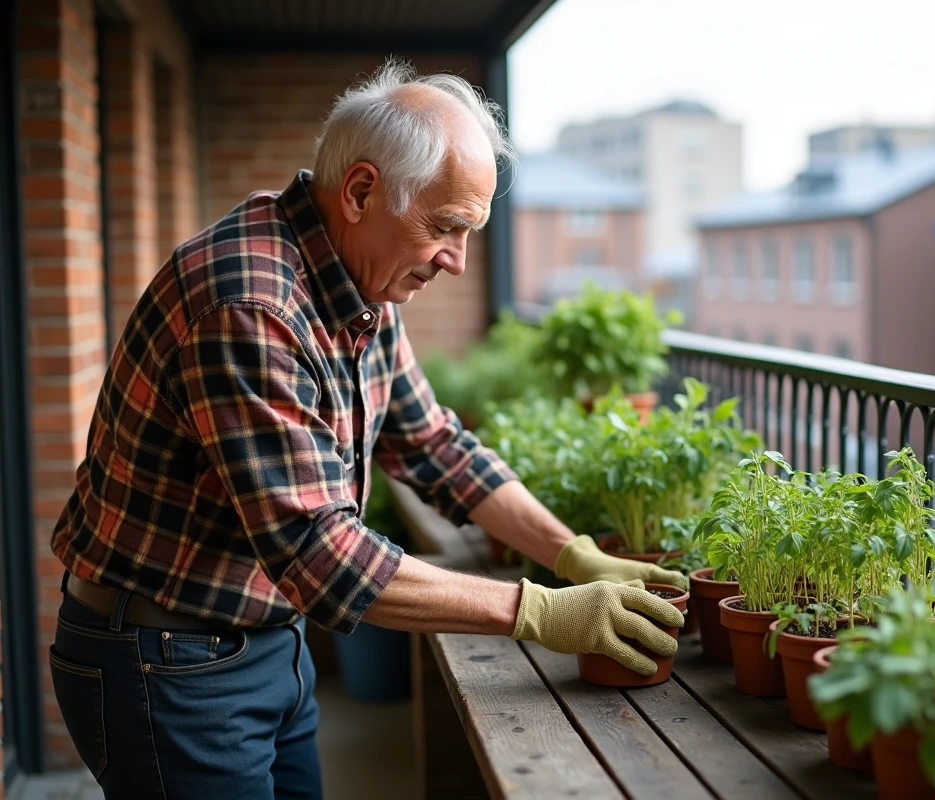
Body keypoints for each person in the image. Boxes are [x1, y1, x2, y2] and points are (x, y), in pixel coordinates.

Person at [47, 61, 688, 800]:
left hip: (261, 636)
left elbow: (432, 442)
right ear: (359, 192)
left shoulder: (357, 273)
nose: (457, 260)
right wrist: (541, 609)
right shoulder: (250, 305)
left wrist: (575, 555)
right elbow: (322, 555)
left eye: (470, 231)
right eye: (445, 227)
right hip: (166, 656)